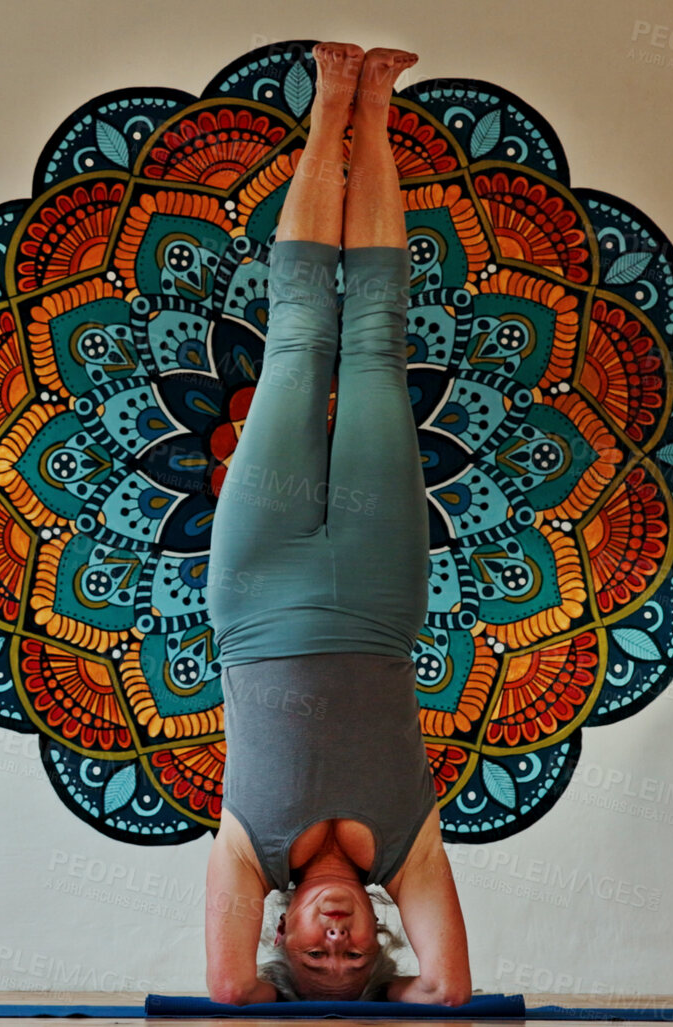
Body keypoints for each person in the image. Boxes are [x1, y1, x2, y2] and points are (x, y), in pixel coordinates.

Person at [202, 42, 471, 1006]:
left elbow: (229, 990)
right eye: (356, 959)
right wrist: (383, 1002)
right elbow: (446, 993)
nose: (336, 943)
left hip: (255, 597)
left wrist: (296, 1003)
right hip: (377, 594)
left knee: (297, 340)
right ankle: (378, 107)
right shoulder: (408, 849)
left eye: (314, 958)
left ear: (279, 932)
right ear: (378, 938)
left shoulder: (248, 851)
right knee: (373, 344)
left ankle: (328, 108)